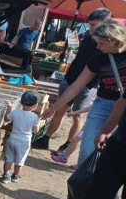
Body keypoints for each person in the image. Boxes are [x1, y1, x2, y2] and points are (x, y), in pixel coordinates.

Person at [41, 21, 126, 166]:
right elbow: (76, 86)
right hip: (103, 105)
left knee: (117, 155)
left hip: (124, 107)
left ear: (114, 41)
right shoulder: (99, 58)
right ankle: (86, 184)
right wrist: (52, 108)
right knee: (88, 148)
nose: (98, 47)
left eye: (101, 44)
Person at [32, 8, 112, 151]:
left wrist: (90, 85)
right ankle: (45, 139)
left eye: (94, 25)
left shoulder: (107, 45)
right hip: (71, 79)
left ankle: (68, 144)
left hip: (88, 85)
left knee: (77, 116)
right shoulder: (88, 37)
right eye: (90, 25)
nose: (90, 28)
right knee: (59, 110)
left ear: (105, 24)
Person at [0, 91, 40, 184]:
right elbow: (35, 131)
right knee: (20, 160)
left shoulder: (16, 112)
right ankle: (15, 176)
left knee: (8, 158)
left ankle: (6, 175)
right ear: (35, 105)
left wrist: (9, 108)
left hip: (12, 138)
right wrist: (39, 123)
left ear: (21, 103)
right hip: (24, 141)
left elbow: (6, 119)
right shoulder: (35, 117)